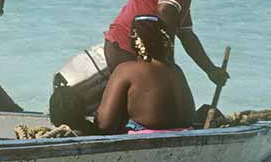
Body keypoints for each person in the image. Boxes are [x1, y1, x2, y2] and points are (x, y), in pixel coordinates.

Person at [54, 15, 195, 134]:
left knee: (62, 100)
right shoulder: (176, 70)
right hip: (185, 133)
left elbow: (105, 124)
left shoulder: (126, 71)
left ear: (134, 41)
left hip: (146, 139)